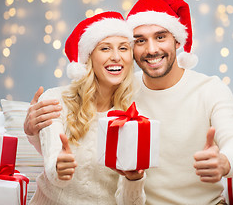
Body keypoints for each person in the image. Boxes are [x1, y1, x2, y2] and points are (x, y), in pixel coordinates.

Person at [25, 0, 233, 205]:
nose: (151, 49)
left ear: (177, 41)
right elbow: (77, 130)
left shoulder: (209, 89)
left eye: (160, 37)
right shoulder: (121, 91)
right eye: (140, 41)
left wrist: (225, 161)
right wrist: (32, 130)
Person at [27, 11, 146, 205]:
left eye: (123, 48)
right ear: (89, 57)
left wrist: (134, 179)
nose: (116, 57)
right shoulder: (56, 99)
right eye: (105, 48)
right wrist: (59, 168)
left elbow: (130, 203)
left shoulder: (135, 113)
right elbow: (53, 160)